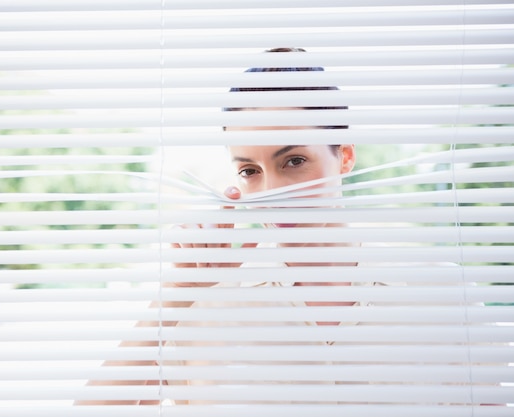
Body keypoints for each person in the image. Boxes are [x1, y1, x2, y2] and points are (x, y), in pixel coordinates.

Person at [76, 48, 474, 407]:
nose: (272, 191)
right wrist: (177, 296)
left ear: (346, 156)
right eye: (250, 171)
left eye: (294, 161)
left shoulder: (440, 296)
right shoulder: (206, 308)